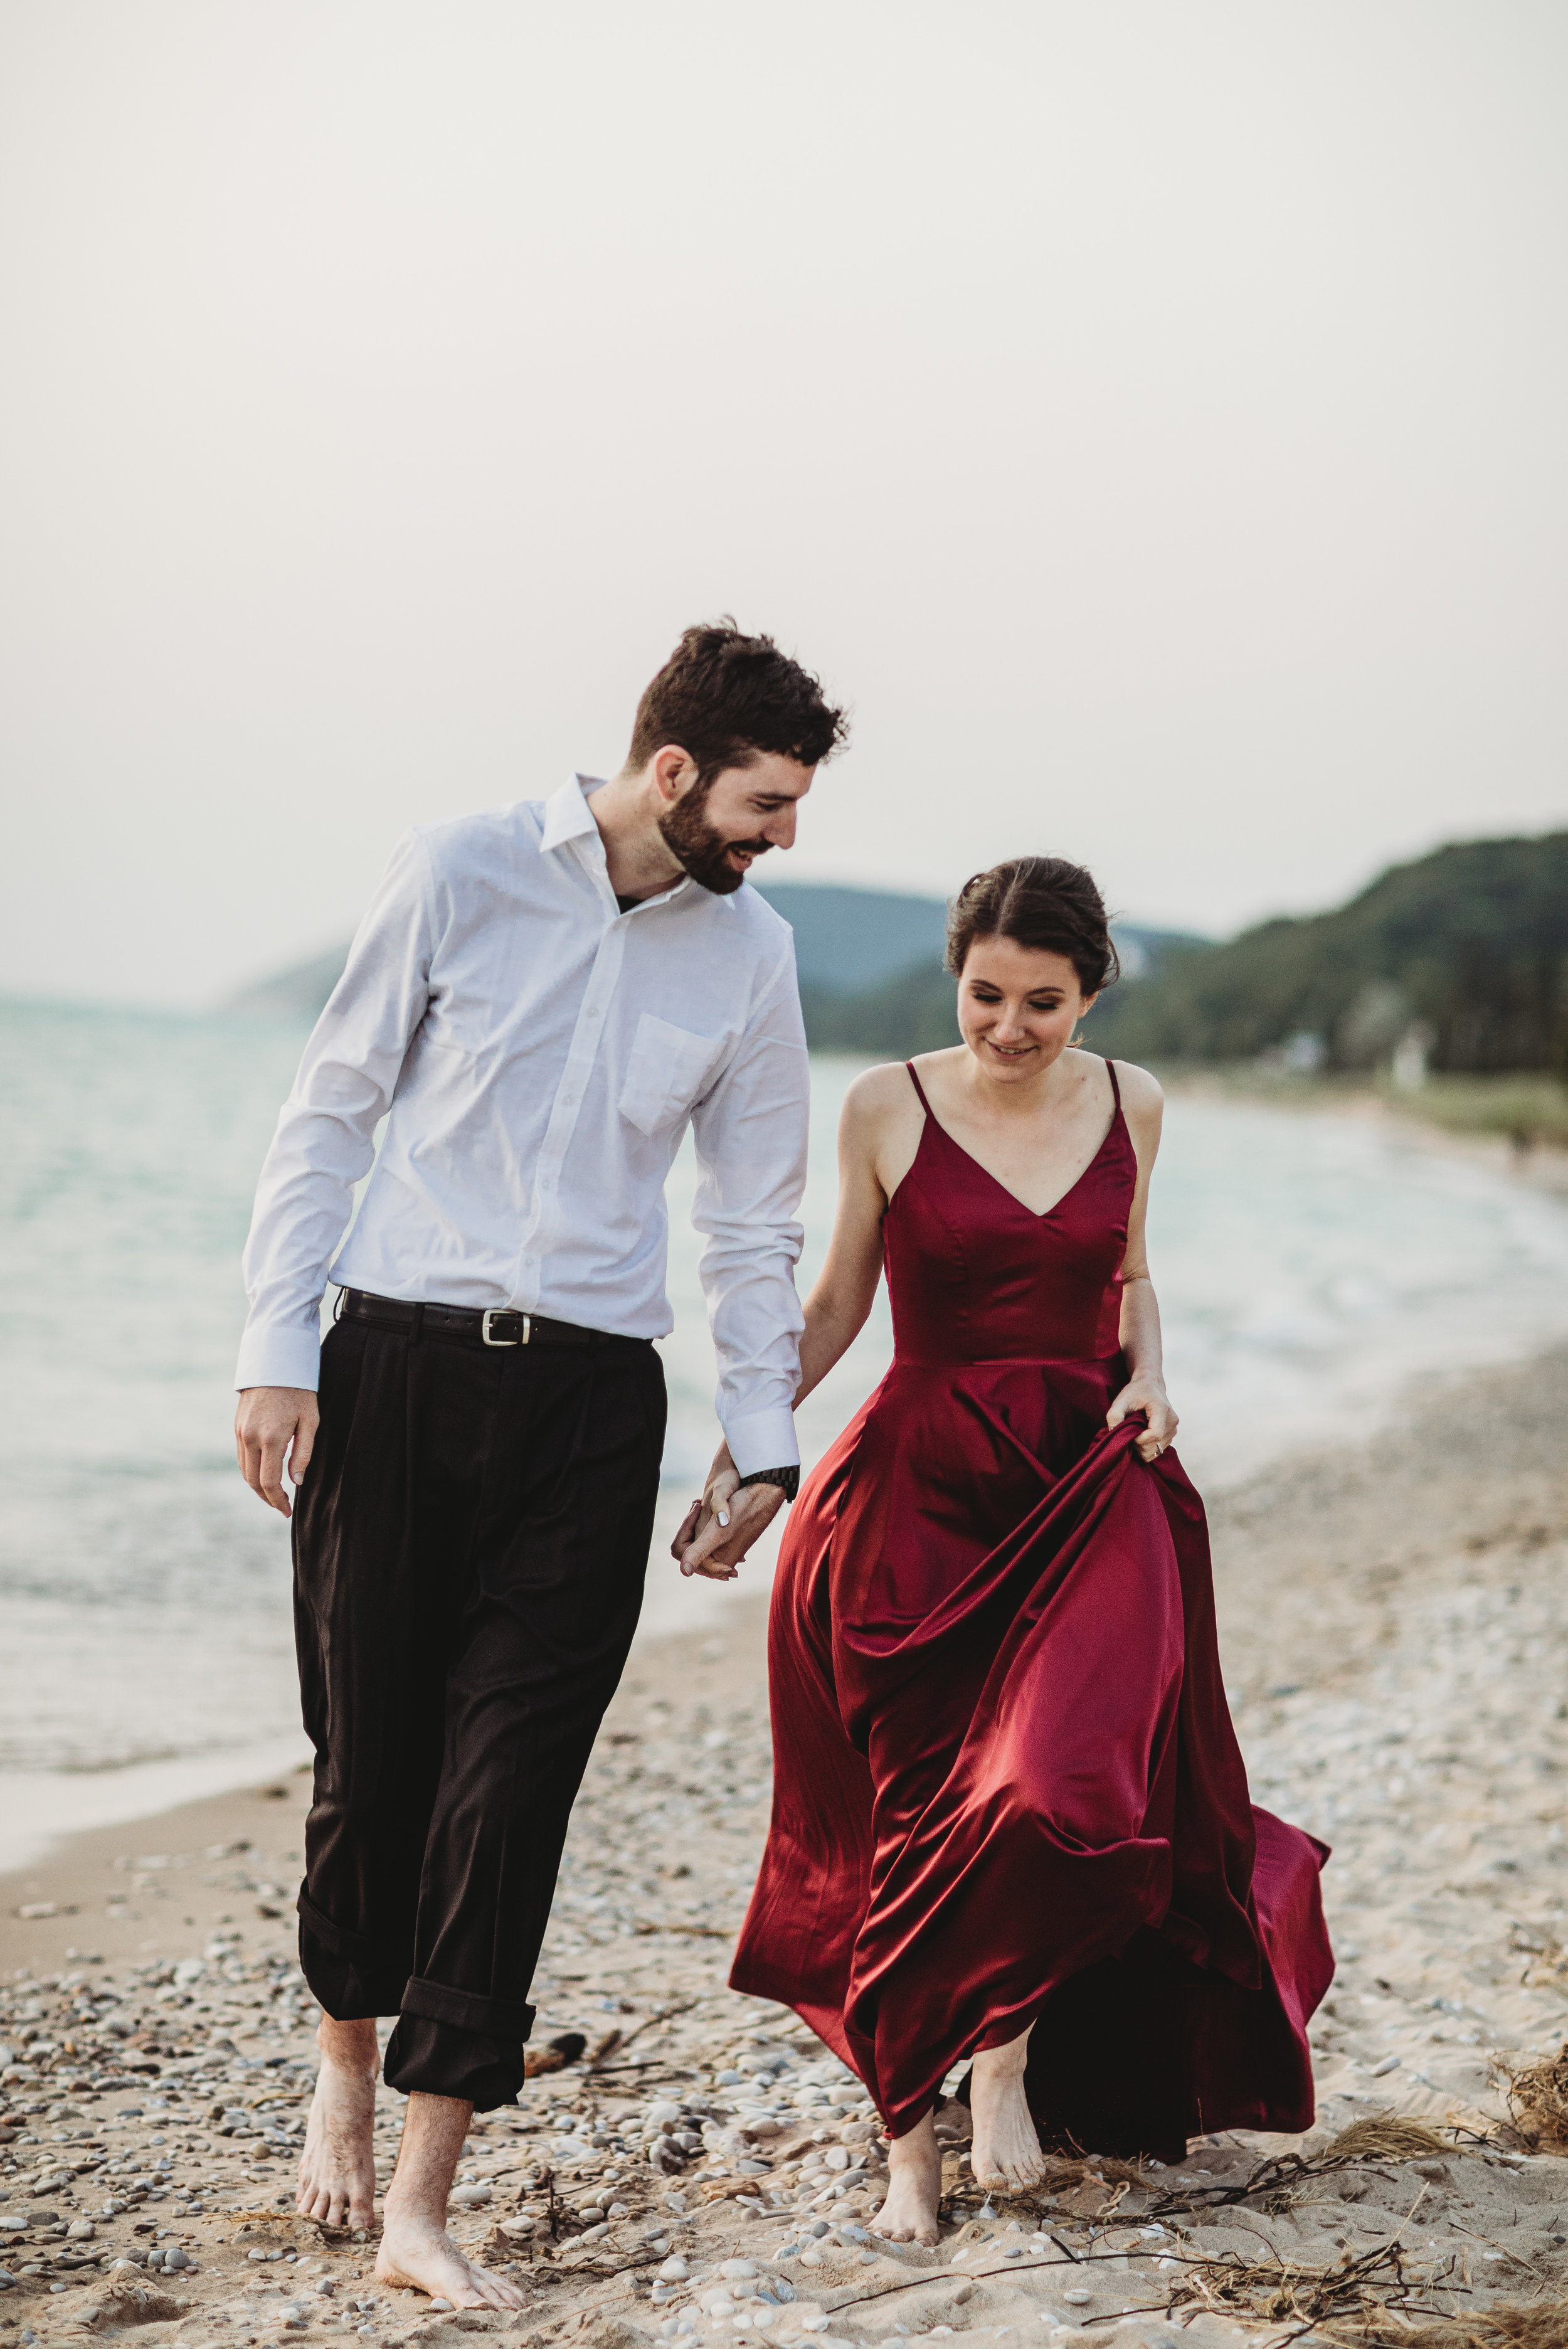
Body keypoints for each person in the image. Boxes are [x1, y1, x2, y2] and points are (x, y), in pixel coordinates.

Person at [232, 620, 846, 2305]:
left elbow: (749, 1216)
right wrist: (277, 1349)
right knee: (369, 1770)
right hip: (396, 1371)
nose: (784, 834)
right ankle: (341, 2064)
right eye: (767, 800)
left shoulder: (754, 957)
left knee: (506, 1796)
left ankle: (428, 2196)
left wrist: (764, 1434)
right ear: (672, 773)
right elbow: (330, 1107)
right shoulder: (458, 871)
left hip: (589, 1411)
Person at [697, 855, 1332, 2246]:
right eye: (984, 996)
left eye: (1040, 1003)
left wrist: (1151, 1375)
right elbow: (836, 1301)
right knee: (910, 1815)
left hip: (1085, 1478)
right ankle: (905, 2152)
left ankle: (1002, 2054)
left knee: (1054, 1787)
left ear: (1089, 992)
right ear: (955, 981)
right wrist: (749, 1445)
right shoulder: (884, 1104)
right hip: (911, 1494)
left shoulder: (1133, 1102)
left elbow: (1130, 1274)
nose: (1005, 1028)